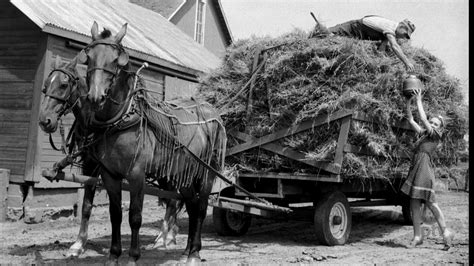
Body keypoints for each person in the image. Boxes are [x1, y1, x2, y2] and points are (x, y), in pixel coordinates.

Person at [400, 86, 454, 250]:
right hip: (416, 169)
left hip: (425, 171)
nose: (432, 124)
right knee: (414, 204)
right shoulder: (424, 133)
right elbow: (411, 119)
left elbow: (423, 119)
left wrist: (419, 100)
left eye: (436, 123)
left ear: (440, 128)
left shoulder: (436, 135)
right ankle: (417, 236)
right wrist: (409, 101)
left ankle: (446, 233)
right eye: (432, 122)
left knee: (431, 204)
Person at [310, 15, 415, 72]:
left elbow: (381, 49)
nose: (404, 37)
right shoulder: (390, 27)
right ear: (401, 27)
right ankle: (309, 45)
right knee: (328, 35)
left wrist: (380, 62)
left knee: (339, 45)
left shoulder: (389, 33)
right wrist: (407, 62)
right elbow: (395, 46)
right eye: (405, 34)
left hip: (357, 34)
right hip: (353, 28)